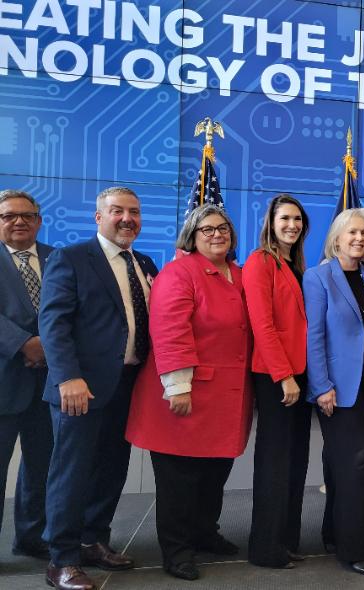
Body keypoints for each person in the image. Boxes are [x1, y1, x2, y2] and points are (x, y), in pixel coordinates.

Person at [39, 187, 158, 590]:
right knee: (71, 474)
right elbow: (53, 324)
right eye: (117, 211)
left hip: (128, 385)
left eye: (135, 212)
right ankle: (62, 559)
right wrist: (67, 377)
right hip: (80, 388)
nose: (128, 218)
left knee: (111, 469)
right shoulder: (71, 258)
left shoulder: (144, 262)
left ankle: (94, 539)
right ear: (98, 217)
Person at [126, 204, 252, 581]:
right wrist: (178, 386)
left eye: (224, 229)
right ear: (191, 237)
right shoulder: (179, 273)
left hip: (227, 399)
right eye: (208, 229)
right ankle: (177, 550)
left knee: (215, 473)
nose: (217, 235)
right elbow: (170, 331)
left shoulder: (240, 274)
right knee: (179, 481)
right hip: (184, 395)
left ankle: (204, 532)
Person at [304, 208, 364, 577]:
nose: (360, 239)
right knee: (355, 463)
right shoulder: (318, 277)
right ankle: (353, 550)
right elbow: (314, 335)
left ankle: (333, 532)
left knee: (346, 467)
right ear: (336, 238)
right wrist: (321, 386)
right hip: (337, 388)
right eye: (352, 233)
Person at [242, 194, 311, 569]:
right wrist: (283, 375)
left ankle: (286, 539)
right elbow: (262, 324)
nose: (292, 225)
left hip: (300, 374)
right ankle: (266, 548)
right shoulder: (260, 262)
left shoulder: (294, 264)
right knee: (274, 462)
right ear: (271, 222)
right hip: (275, 376)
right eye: (285, 218)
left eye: (297, 219)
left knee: (294, 461)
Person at [0, 190, 53, 561]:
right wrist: (24, 344)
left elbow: (72, 309)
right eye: (8, 216)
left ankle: (32, 538)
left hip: (50, 380)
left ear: (38, 219)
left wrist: (47, 346)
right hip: (4, 378)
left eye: (27, 215)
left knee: (42, 465)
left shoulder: (57, 258)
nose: (19, 221)